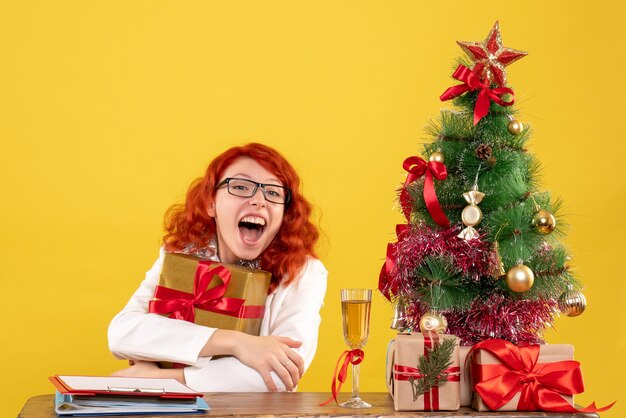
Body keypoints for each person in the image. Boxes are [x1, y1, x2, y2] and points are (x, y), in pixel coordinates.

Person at [108, 143, 327, 392]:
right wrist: (237, 343)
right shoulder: (180, 256)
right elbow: (122, 333)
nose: (259, 201)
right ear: (211, 203)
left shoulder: (303, 271)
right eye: (240, 187)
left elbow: (282, 374)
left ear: (284, 213)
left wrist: (164, 380)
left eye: (274, 193)